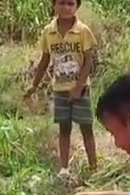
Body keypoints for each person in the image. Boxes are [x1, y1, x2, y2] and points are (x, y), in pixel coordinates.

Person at [25, 0, 98, 177]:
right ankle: (64, 168)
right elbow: (44, 60)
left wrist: (78, 87)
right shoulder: (48, 32)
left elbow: (89, 61)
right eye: (62, 3)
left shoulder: (83, 31)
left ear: (77, 6)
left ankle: (94, 166)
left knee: (86, 127)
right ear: (54, 5)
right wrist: (34, 85)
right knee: (64, 128)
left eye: (70, 4)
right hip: (60, 89)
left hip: (80, 89)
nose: (66, 8)